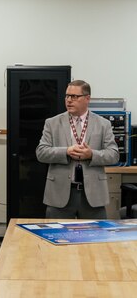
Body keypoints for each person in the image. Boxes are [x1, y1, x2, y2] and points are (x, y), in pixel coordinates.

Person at [36, 79, 119, 219]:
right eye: (67, 96)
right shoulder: (52, 123)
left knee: (94, 239)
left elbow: (114, 155)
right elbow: (41, 152)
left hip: (93, 196)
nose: (69, 100)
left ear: (87, 98)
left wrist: (91, 154)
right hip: (59, 194)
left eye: (74, 96)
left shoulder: (103, 124)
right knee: (57, 237)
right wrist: (66, 151)